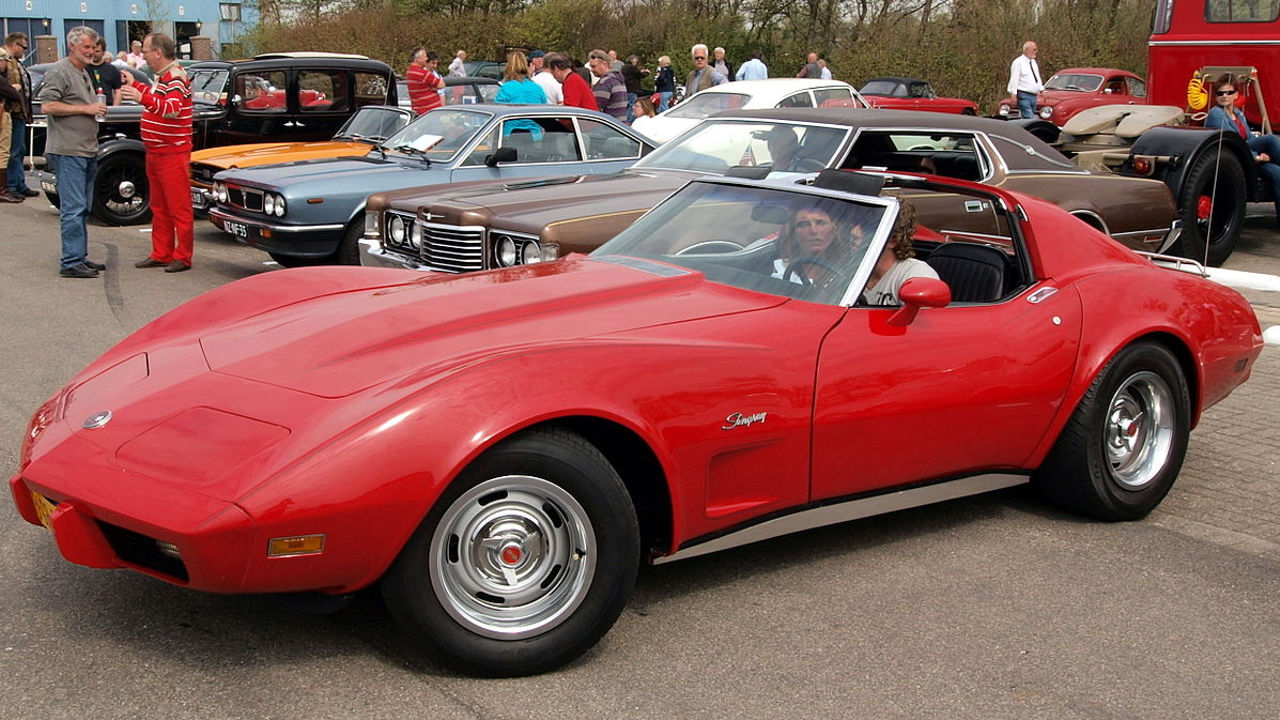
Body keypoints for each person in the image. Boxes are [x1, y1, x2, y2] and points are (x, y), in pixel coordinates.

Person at [37, 26, 109, 277]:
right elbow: (47, 105)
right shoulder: (60, 71)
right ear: (72, 46)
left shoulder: (83, 72)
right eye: (86, 47)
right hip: (68, 150)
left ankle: (79, 255)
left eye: (93, 47)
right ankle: (71, 261)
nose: (91, 51)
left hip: (86, 149)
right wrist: (86, 110)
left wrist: (94, 109)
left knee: (83, 207)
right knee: (73, 207)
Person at [120, 32, 194, 273]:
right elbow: (158, 99)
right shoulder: (164, 77)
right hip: (158, 151)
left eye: (146, 51)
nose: (144, 55)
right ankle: (161, 253)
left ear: (158, 53)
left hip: (172, 152)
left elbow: (171, 108)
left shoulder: (175, 77)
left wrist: (141, 96)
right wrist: (136, 84)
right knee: (159, 206)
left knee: (178, 207)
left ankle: (182, 256)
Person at [1205, 74, 1280, 228]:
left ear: (1236, 95)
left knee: (1277, 172)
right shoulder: (1216, 115)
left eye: (1229, 92)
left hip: (1247, 155)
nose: (1225, 96)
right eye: (1220, 93)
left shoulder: (1238, 114)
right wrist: (1256, 157)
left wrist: (1261, 155)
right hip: (1234, 158)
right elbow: (1231, 143)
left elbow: (1250, 137)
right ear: (1216, 97)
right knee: (1271, 139)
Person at [862, 199, 940, 306]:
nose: (854, 232)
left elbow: (920, 321)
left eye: (866, 229)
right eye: (855, 224)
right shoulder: (849, 270)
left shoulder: (916, 274)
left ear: (892, 240)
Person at [770, 202, 848, 286]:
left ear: (834, 228)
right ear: (794, 232)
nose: (813, 231)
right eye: (804, 224)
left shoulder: (851, 273)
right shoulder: (780, 270)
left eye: (821, 223)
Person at [2, 32, 37, 203]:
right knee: (13, 152)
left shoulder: (15, 63)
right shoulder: (5, 61)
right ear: (15, 45)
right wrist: (12, 90)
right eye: (23, 47)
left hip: (20, 112)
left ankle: (19, 183)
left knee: (20, 150)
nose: (24, 51)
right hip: (11, 111)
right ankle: (11, 186)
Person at [1006, 40, 1044, 119]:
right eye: (1034, 50)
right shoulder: (1018, 62)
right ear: (1027, 50)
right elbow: (1014, 79)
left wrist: (1041, 90)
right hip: (1023, 95)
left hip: (1033, 95)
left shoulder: (1033, 62)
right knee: (1029, 117)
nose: (1036, 52)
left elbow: (1036, 77)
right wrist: (1013, 94)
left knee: (1029, 116)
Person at [588, 49, 628, 121]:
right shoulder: (619, 81)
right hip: (620, 126)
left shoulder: (604, 83)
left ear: (605, 64)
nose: (591, 70)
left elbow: (595, 111)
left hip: (607, 128)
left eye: (594, 66)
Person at [405, 47, 445, 115]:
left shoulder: (409, 71)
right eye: (425, 56)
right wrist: (432, 88)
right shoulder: (423, 74)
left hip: (419, 110)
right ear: (418, 59)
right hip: (430, 112)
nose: (426, 58)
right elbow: (442, 85)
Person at [88, 36, 123, 106]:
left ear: (103, 52)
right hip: (89, 107)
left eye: (97, 51)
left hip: (107, 106)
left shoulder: (112, 70)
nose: (94, 54)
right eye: (93, 50)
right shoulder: (83, 69)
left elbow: (118, 91)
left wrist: (114, 109)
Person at [620, 55, 649, 122]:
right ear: (633, 61)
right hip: (632, 89)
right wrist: (646, 72)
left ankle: (625, 119)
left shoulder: (624, 67)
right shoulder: (632, 68)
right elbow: (639, 75)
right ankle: (630, 120)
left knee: (627, 105)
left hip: (626, 88)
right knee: (632, 105)